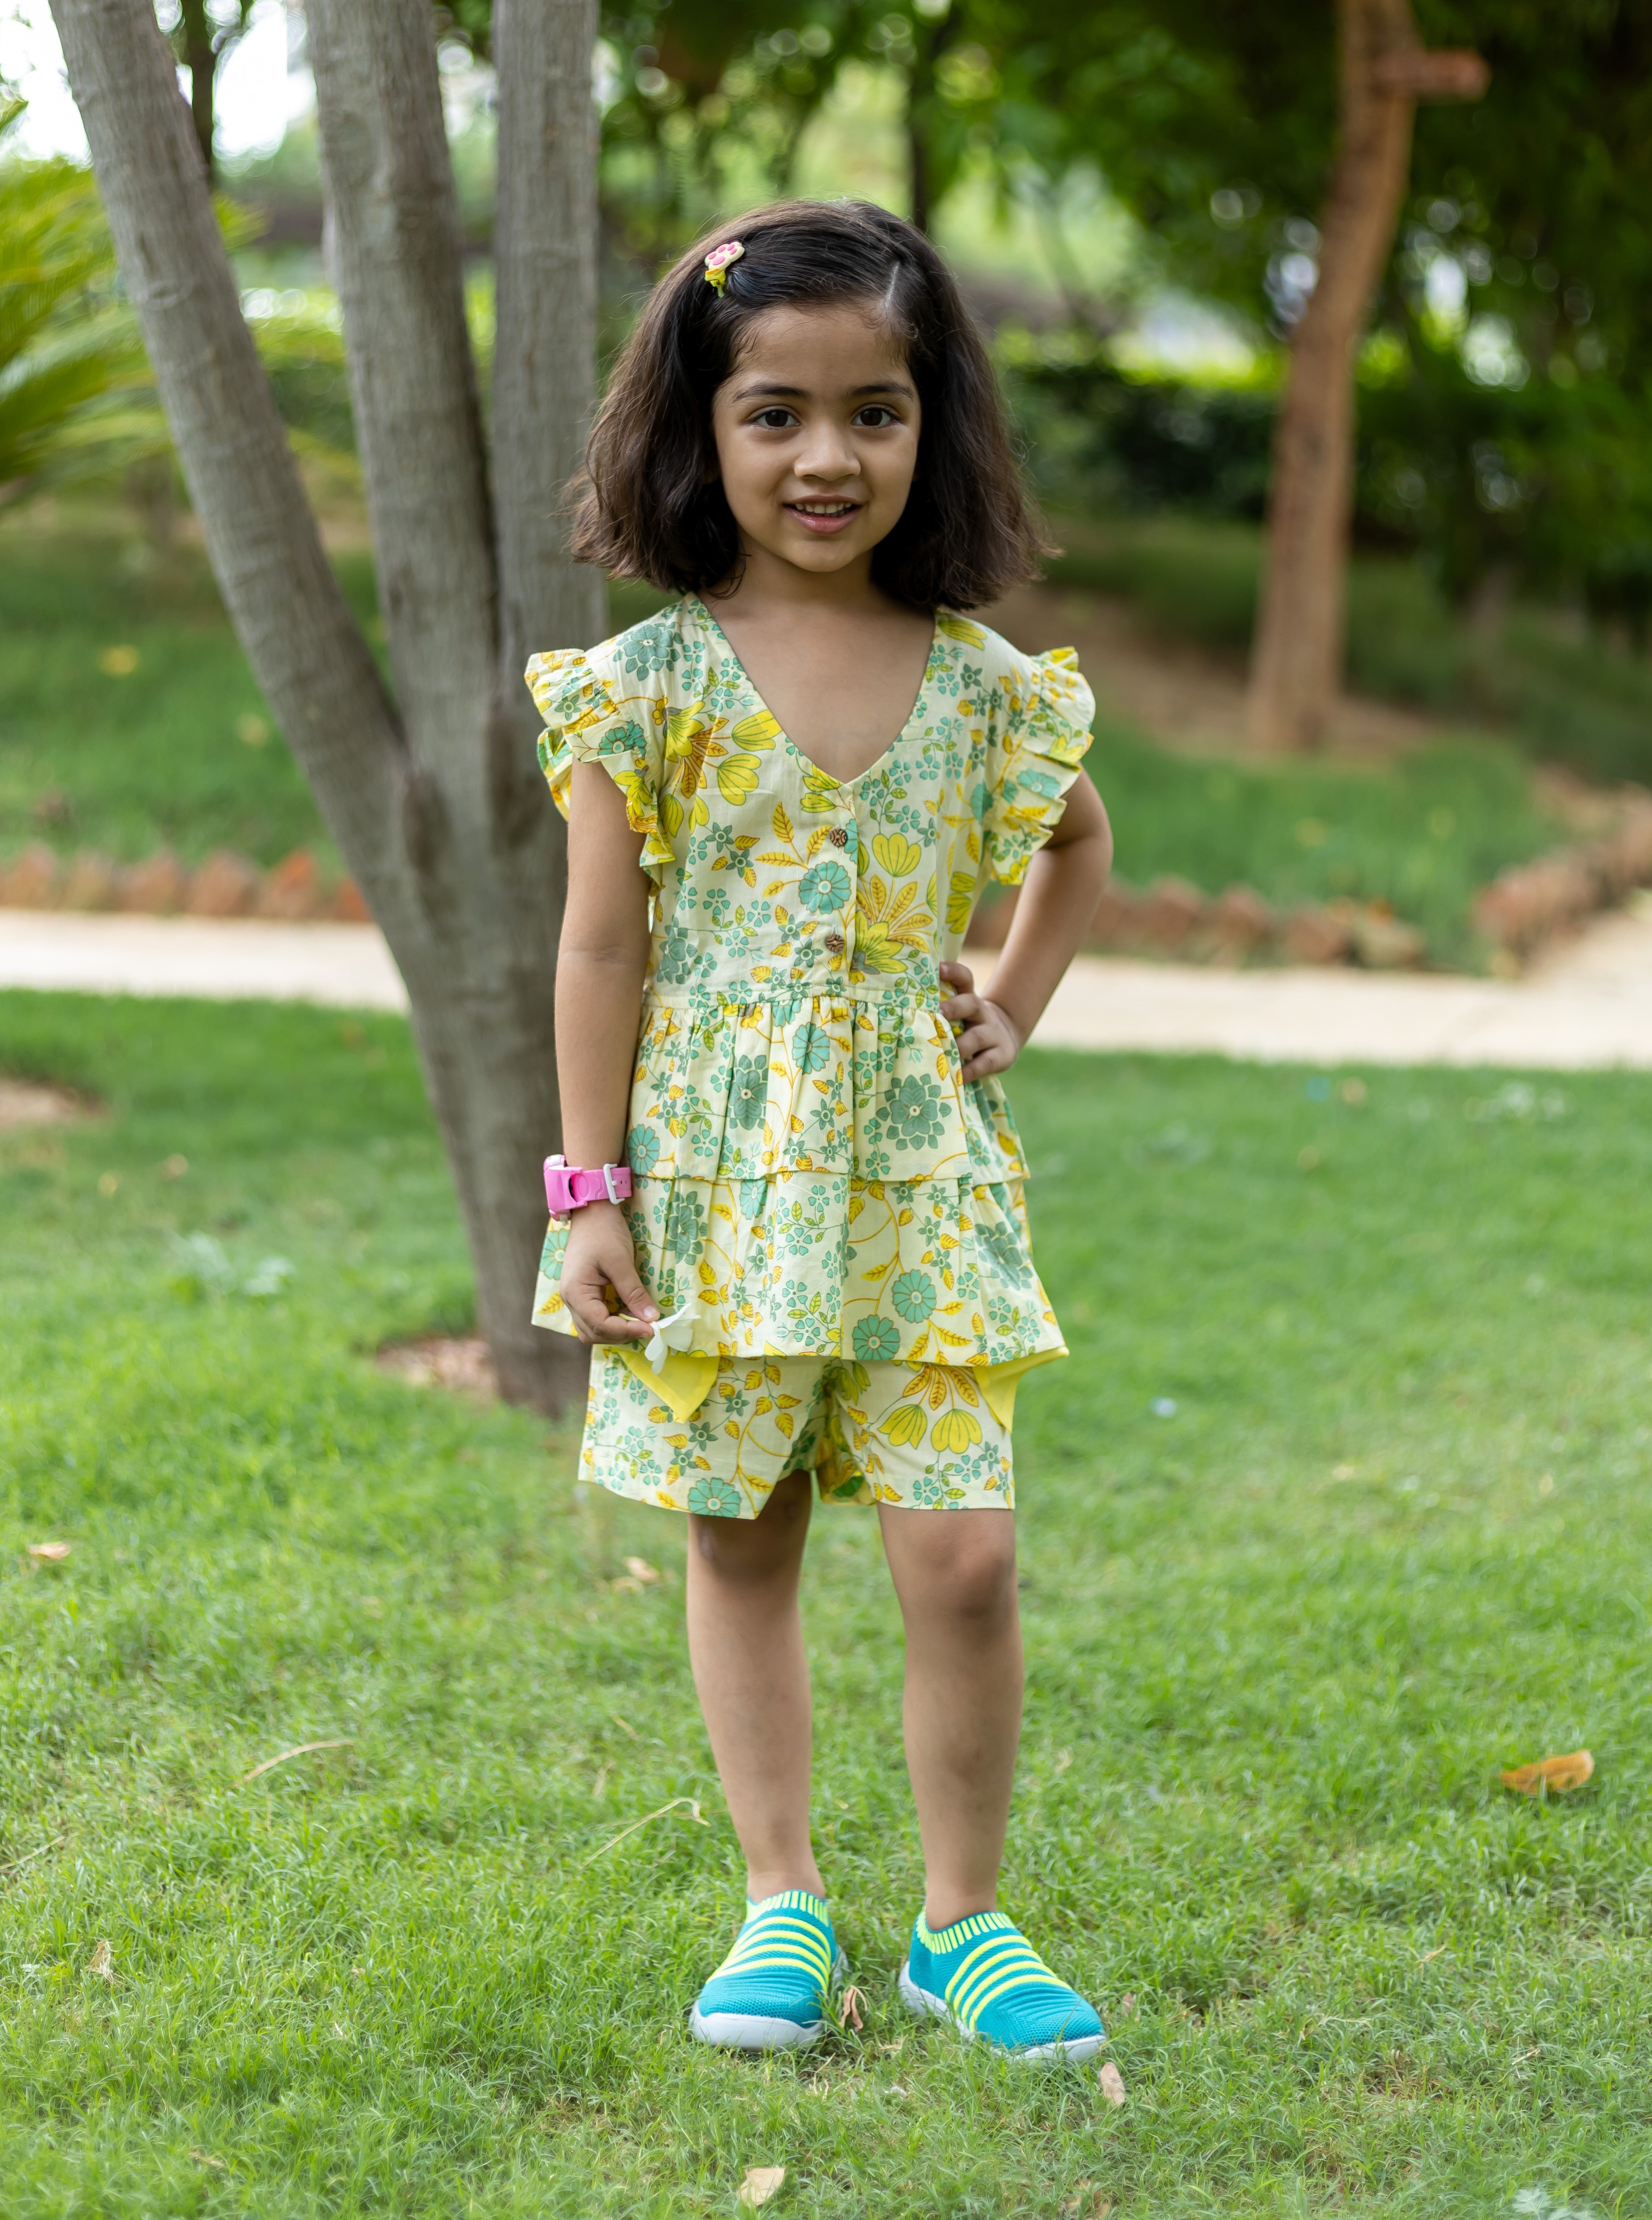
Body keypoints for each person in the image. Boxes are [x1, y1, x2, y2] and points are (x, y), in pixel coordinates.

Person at [527, 200, 1114, 2064]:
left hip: (919, 1187)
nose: (824, 456)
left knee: (964, 1557)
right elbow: (598, 946)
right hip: (714, 1186)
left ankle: (962, 1924)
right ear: (696, 426)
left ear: (932, 423)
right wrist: (588, 1194)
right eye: (772, 412)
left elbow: (1078, 844)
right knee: (741, 1530)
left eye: (874, 411)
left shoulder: (982, 684)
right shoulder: (648, 687)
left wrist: (1011, 998)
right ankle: (779, 1899)